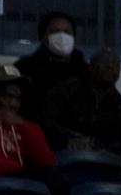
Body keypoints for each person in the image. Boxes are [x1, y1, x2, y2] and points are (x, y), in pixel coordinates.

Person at [13, 11, 87, 140]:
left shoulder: (86, 72)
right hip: (35, 138)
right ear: (43, 37)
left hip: (77, 142)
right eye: (55, 31)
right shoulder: (24, 68)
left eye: (67, 32)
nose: (62, 37)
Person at [43, 46, 121, 154]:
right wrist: (69, 139)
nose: (110, 67)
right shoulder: (65, 91)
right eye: (104, 63)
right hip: (63, 155)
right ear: (90, 67)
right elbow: (46, 123)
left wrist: (96, 146)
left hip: (104, 162)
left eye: (115, 65)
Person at [0, 64, 55, 181]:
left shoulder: (29, 127)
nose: (14, 104)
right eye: (8, 96)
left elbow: (47, 163)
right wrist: (8, 168)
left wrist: (23, 127)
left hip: (18, 184)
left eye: (18, 98)